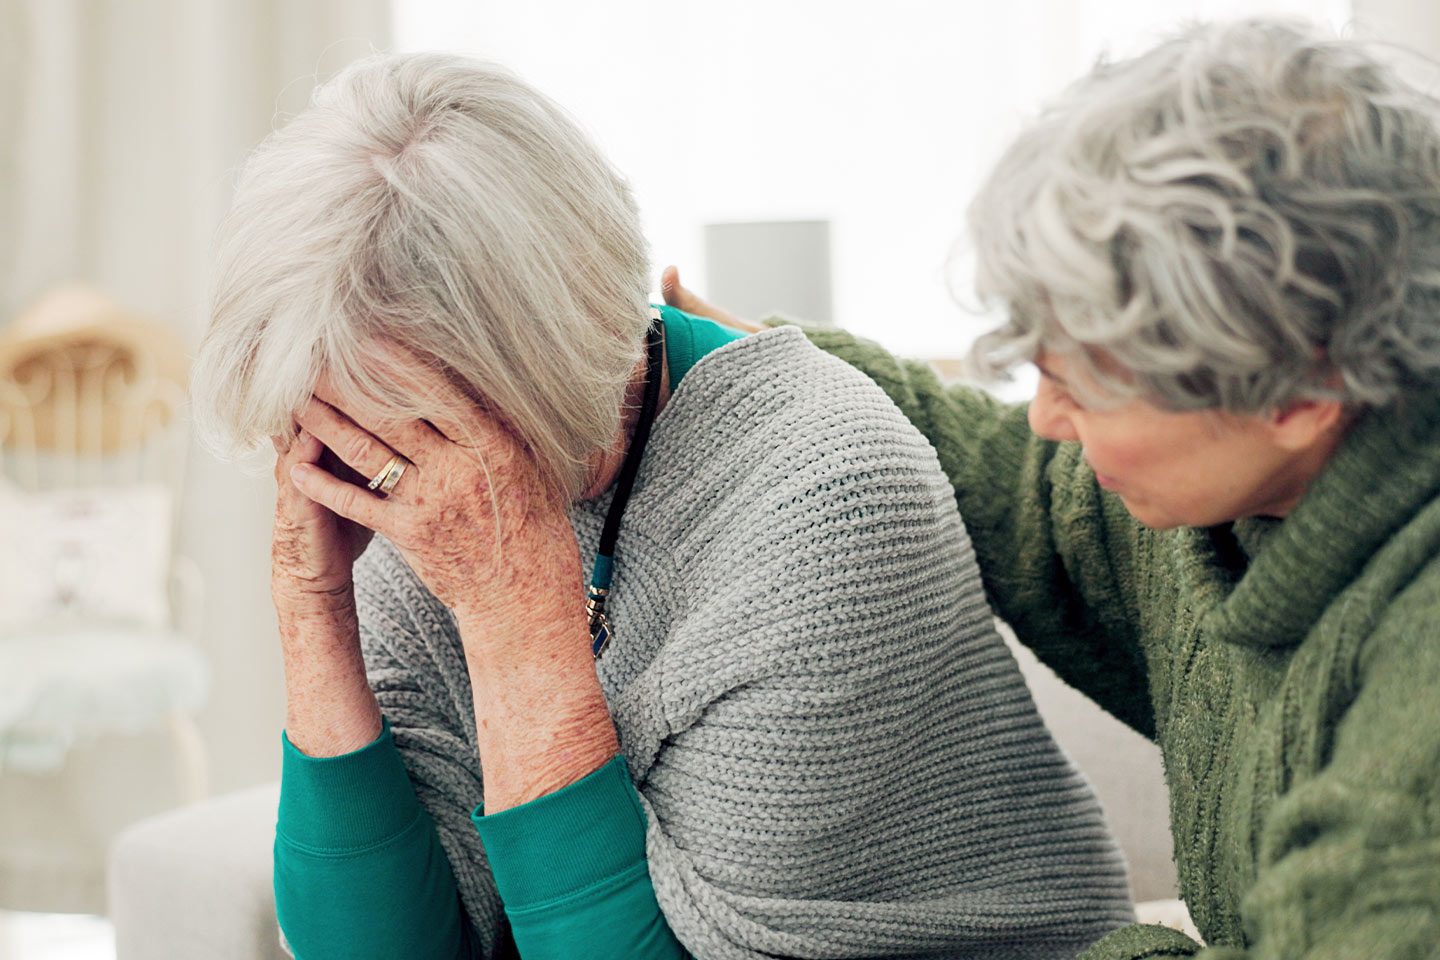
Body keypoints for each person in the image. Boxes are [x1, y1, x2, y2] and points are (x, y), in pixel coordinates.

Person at [189, 53, 1134, 960]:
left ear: (530, 367)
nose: (363, 459)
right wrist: (313, 608)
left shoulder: (827, 494)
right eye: (330, 421)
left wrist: (515, 615)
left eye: (389, 421)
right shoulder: (418, 477)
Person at [666, 17, 1440, 960]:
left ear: (1301, 389)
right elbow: (1032, 489)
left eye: (1082, 387)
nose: (1045, 418)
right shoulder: (1229, 494)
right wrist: (771, 360)